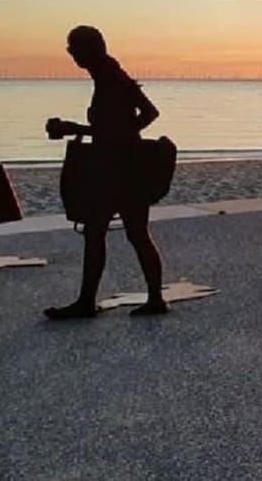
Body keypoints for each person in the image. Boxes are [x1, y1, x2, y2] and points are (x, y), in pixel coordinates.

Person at [43, 25, 167, 319]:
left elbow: (132, 120)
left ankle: (92, 301)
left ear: (88, 49)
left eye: (73, 47)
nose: (71, 53)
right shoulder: (112, 74)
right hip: (123, 163)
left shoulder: (110, 77)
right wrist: (125, 137)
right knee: (123, 233)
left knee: (107, 233)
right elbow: (148, 114)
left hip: (116, 168)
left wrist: (75, 129)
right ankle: (150, 298)